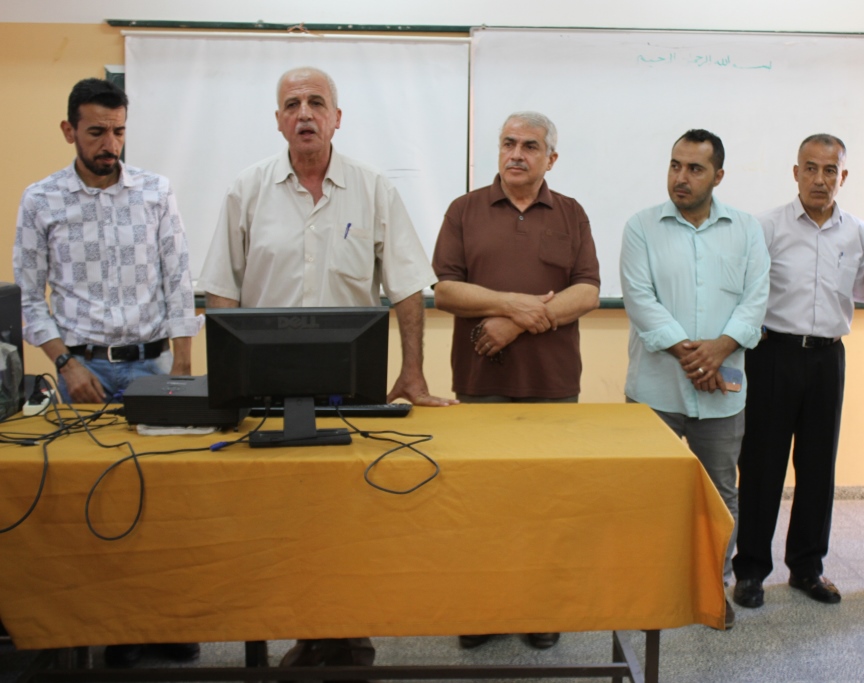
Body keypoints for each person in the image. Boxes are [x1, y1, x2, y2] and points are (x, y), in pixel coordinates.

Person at [198, 66, 453, 680]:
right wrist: (223, 382)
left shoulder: (372, 189)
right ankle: (300, 630)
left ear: (338, 118)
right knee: (278, 522)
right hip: (266, 392)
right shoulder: (247, 189)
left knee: (346, 521)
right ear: (278, 120)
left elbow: (406, 287)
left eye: (317, 102)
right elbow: (222, 290)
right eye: (292, 104)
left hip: (348, 394)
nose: (305, 113)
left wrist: (413, 374)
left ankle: (344, 638)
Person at [13, 78, 202, 666]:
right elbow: (29, 298)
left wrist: (183, 365)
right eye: (96, 132)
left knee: (161, 503)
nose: (110, 144)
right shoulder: (41, 200)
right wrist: (64, 363)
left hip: (153, 365)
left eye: (118, 132)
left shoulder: (155, 192)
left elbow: (179, 281)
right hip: (84, 374)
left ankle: (157, 626)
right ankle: (102, 628)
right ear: (69, 131)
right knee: (93, 505)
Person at [432, 111, 600, 649]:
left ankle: (540, 609)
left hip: (553, 385)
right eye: (509, 143)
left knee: (546, 502)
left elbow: (587, 291)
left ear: (551, 158)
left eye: (530, 145)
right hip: (481, 381)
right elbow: (446, 291)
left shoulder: (571, 213)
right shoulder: (464, 210)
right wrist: (511, 305)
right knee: (483, 502)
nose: (517, 154)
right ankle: (485, 609)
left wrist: (520, 322)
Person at [620, 129, 770, 629]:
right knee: (650, 492)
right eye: (675, 165)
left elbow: (754, 301)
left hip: (722, 394)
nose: (680, 177)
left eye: (695, 168)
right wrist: (694, 356)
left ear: (718, 176)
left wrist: (719, 350)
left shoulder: (746, 229)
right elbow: (640, 300)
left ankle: (712, 587)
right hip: (655, 390)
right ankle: (652, 590)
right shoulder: (641, 227)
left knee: (719, 495)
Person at [731, 134, 864, 610]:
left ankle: (807, 568)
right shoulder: (766, 227)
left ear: (843, 177)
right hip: (773, 354)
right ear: (796, 173)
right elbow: (743, 291)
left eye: (830, 170)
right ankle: (751, 571)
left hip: (828, 358)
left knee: (818, 466)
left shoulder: (858, 233)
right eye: (810, 168)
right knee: (762, 465)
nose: (819, 178)